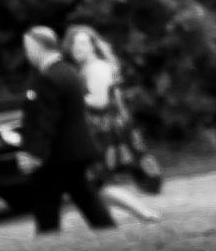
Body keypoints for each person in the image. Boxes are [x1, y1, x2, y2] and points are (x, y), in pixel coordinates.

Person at [15, 25, 116, 234]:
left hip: (59, 154)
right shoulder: (68, 72)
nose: (27, 53)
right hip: (73, 151)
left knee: (48, 202)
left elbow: (48, 120)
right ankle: (107, 229)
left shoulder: (50, 77)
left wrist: (35, 155)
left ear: (37, 47)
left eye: (28, 47)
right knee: (84, 195)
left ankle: (48, 238)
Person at [67, 23, 164, 222]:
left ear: (93, 46)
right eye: (73, 44)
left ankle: (144, 214)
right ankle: (133, 216)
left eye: (83, 43)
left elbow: (99, 101)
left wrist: (69, 98)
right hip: (103, 131)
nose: (77, 48)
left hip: (105, 133)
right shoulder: (89, 68)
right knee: (92, 182)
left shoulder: (96, 68)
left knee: (93, 182)